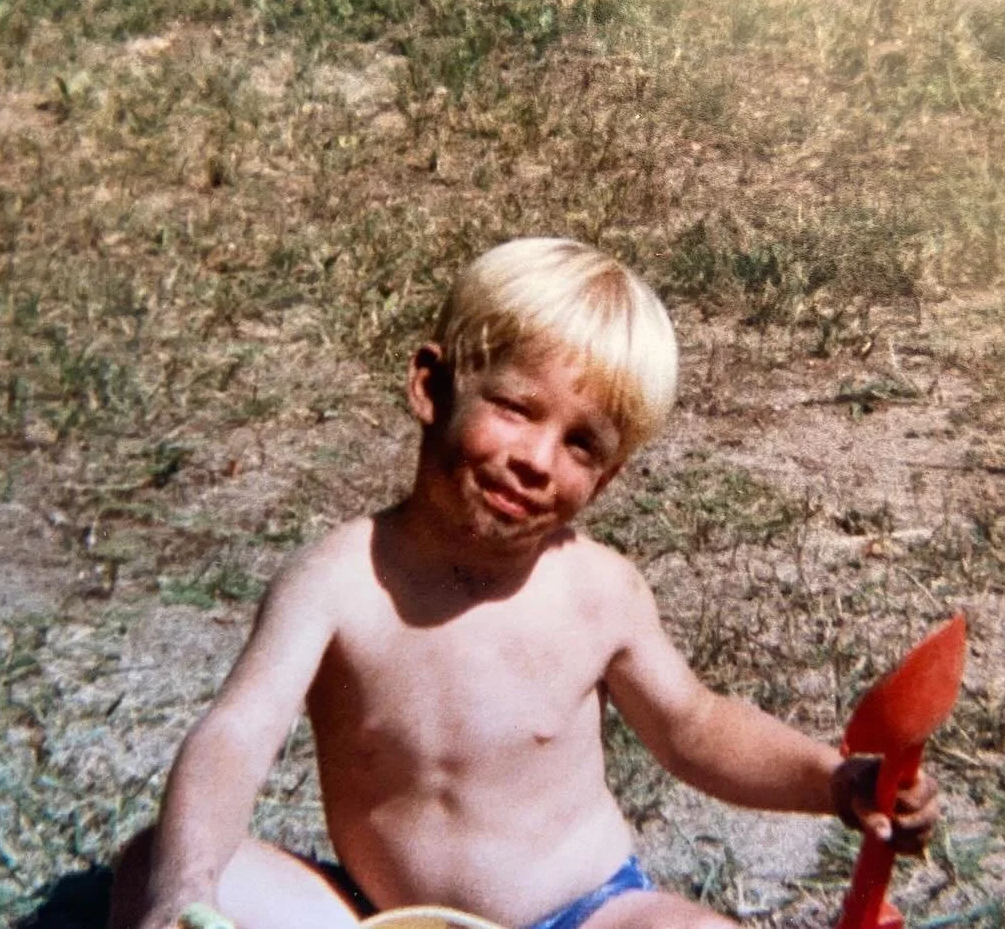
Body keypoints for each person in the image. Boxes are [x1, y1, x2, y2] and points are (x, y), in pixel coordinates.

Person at [109, 237, 939, 929]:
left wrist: (832, 778)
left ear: (605, 481)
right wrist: (185, 891)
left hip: (584, 911)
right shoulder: (337, 580)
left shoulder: (597, 590)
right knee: (155, 864)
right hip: (382, 916)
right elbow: (236, 734)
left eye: (583, 444)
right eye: (513, 406)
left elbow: (695, 726)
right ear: (431, 386)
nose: (537, 460)